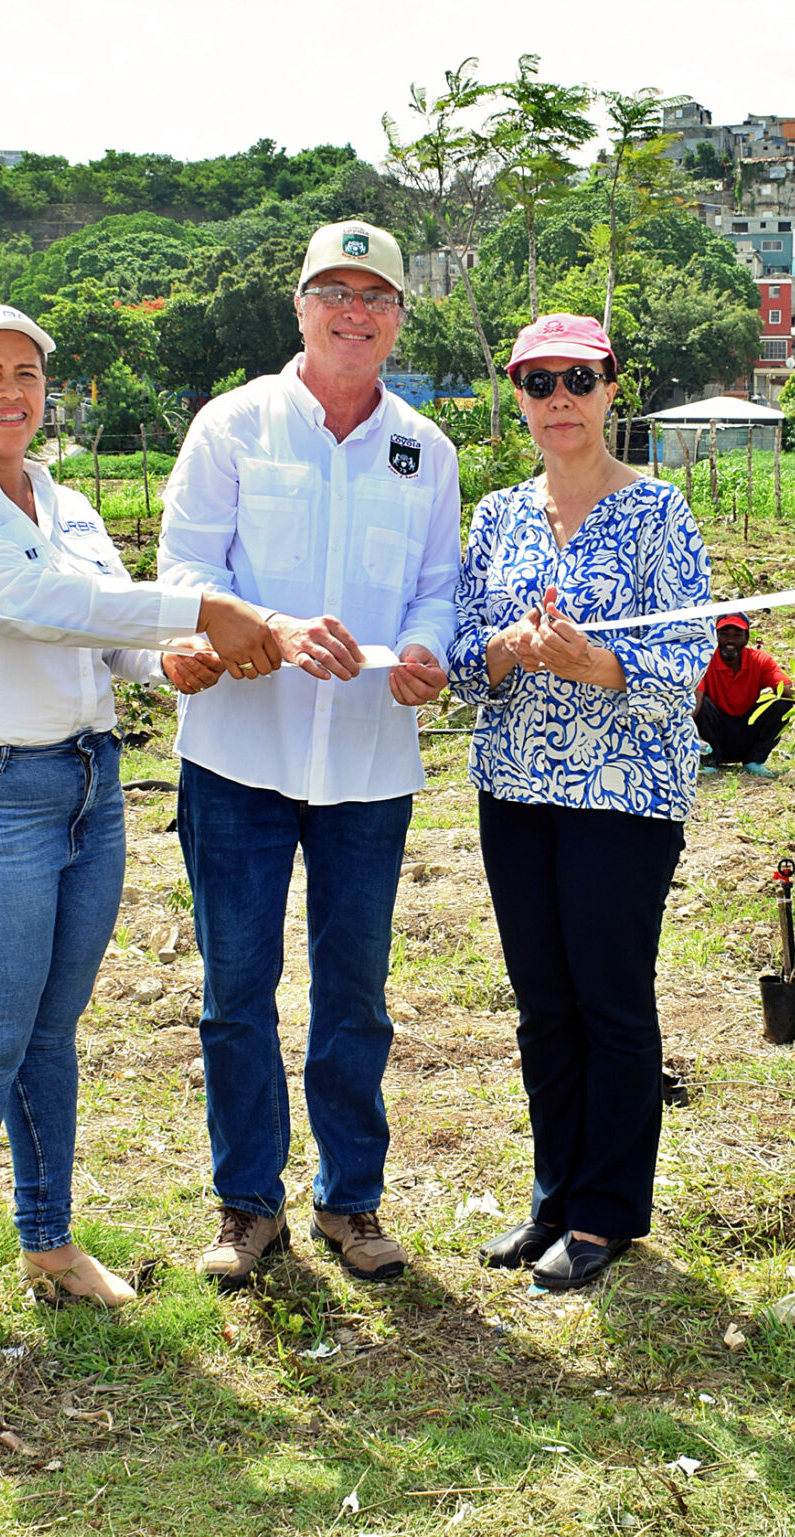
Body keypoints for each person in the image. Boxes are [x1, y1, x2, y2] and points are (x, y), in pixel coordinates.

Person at [0, 303, 277, 1361]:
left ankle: (47, 1242)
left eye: (29, 373)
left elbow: (101, 633)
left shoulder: (67, 501)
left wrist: (169, 659)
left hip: (85, 785)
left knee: (49, 1035)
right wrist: (198, 610)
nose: (13, 391)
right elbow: (33, 605)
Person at [158, 220, 461, 1288]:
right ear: (300, 308)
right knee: (237, 986)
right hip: (241, 754)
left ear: (395, 320)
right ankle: (248, 1205)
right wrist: (264, 630)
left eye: (374, 296)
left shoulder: (426, 447)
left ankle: (350, 1199)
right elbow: (189, 567)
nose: (353, 311)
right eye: (333, 290)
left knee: (357, 992)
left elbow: (437, 585)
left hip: (369, 763)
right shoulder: (233, 425)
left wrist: (425, 650)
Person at [447, 313, 713, 1291]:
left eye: (578, 379)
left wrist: (597, 662)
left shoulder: (660, 512)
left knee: (608, 1000)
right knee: (543, 1004)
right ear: (515, 395)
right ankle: (554, 1197)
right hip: (516, 786)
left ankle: (607, 1212)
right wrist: (506, 653)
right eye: (537, 381)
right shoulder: (498, 516)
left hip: (623, 794)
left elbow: (687, 660)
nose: (558, 398)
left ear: (610, 389)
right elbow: (466, 669)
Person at [695, 612, 793, 778]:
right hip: (713, 736)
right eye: (724, 634)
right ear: (716, 636)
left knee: (781, 702)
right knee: (701, 704)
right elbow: (695, 701)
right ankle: (709, 761)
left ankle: (754, 760)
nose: (730, 640)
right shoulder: (705, 660)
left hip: (746, 733)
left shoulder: (759, 660)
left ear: (746, 638)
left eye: (737, 635)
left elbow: (787, 690)